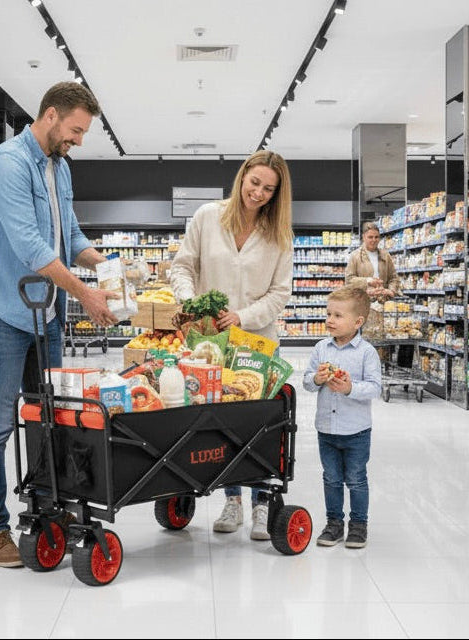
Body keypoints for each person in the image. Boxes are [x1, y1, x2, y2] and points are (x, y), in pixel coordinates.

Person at [0, 81, 119, 568]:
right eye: (75, 130)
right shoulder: (7, 164)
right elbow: (31, 246)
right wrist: (85, 294)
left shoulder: (60, 168)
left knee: (50, 414)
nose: (78, 141)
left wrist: (107, 267)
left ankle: (49, 509)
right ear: (50, 115)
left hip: (43, 311)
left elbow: (68, 234)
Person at [170, 150, 293, 541]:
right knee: (221, 424)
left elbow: (280, 294)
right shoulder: (207, 217)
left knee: (257, 424)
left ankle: (261, 503)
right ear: (242, 177)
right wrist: (190, 302)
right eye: (254, 182)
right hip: (211, 344)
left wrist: (243, 316)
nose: (258, 193)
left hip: (257, 344)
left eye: (268, 189)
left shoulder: (279, 235)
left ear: (277, 194)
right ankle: (232, 499)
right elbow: (183, 266)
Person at [302, 286, 381, 549]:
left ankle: (358, 525)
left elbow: (374, 387)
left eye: (337, 315)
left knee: (356, 478)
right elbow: (306, 382)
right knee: (331, 478)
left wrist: (350, 388)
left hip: (356, 430)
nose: (329, 320)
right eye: (328, 313)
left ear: (358, 322)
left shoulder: (366, 352)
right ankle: (334, 523)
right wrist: (316, 378)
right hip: (326, 428)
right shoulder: (321, 348)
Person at [345, 221, 412, 366]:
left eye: (376, 237)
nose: (374, 240)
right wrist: (368, 281)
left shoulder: (385, 256)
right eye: (370, 237)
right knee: (367, 340)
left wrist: (391, 290)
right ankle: (365, 367)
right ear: (363, 237)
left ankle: (383, 369)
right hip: (364, 305)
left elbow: (394, 277)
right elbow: (349, 280)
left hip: (383, 305)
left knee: (383, 340)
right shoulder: (355, 256)